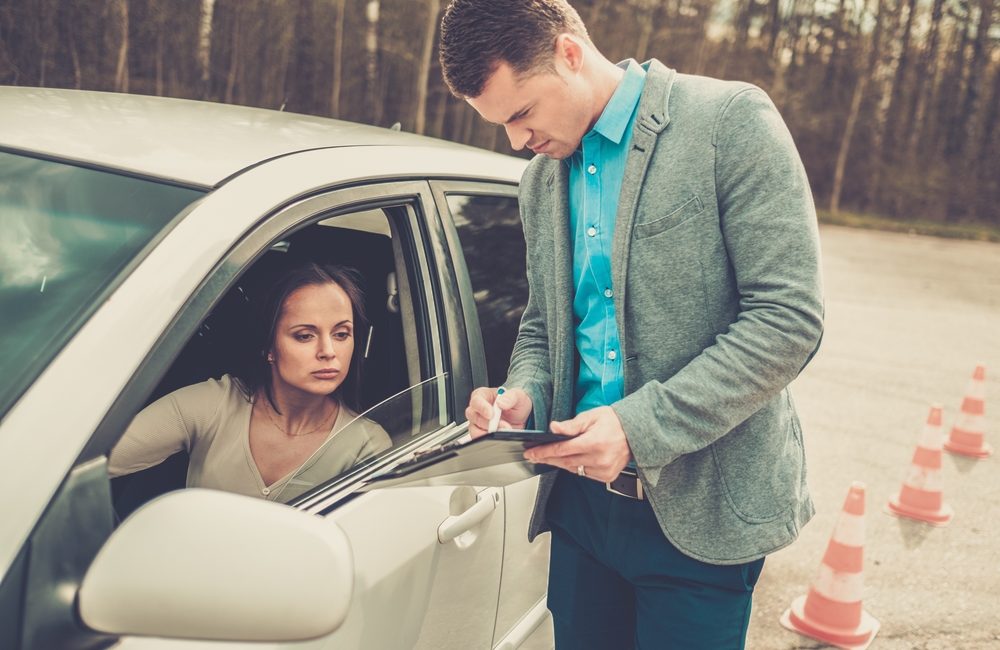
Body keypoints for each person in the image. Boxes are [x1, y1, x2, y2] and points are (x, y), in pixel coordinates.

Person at [441, 1, 824, 648]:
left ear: (569, 53)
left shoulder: (730, 123)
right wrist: (523, 392)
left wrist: (638, 428)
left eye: (522, 113)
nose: (515, 140)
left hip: (701, 519)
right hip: (580, 514)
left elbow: (788, 321)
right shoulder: (540, 181)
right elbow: (543, 326)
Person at [109, 262, 391, 503]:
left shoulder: (366, 445)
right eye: (305, 335)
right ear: (269, 347)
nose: (328, 351)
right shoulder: (214, 405)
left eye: (341, 334)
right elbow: (88, 460)